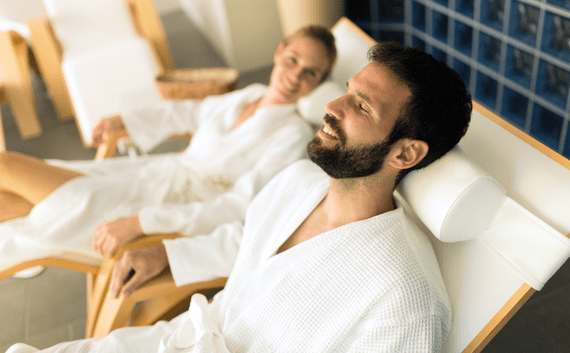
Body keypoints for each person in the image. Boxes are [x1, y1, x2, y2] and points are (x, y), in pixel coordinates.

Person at [7, 41, 472, 352]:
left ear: (407, 152)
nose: (332, 108)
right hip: (184, 337)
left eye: (361, 106)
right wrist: (167, 253)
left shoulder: (405, 297)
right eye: (347, 93)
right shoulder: (300, 181)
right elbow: (244, 236)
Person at [0, 25, 336, 270]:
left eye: (310, 73)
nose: (295, 76)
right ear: (279, 53)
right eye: (292, 60)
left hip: (163, 206)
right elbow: (190, 111)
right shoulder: (250, 95)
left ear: (318, 83)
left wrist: (142, 222)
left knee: (7, 166)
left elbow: (241, 206)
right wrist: (125, 120)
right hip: (146, 176)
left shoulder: (291, 135)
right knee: (9, 200)